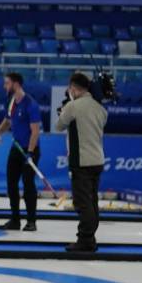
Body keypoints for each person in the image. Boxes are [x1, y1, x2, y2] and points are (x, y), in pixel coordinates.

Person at [56, 72, 108, 253]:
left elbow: (59, 125)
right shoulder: (100, 108)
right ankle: (90, 237)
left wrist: (66, 107)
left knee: (82, 202)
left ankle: (85, 240)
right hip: (97, 159)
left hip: (81, 161)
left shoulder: (73, 106)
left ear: (74, 88)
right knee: (92, 201)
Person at [0, 72, 41, 233]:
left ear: (16, 84)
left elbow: (35, 131)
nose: (4, 86)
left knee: (28, 185)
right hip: (16, 148)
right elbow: (8, 121)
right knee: (11, 184)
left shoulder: (30, 104)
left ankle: (31, 221)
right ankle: (15, 220)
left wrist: (30, 152)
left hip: (29, 149)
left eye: (7, 83)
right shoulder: (12, 101)